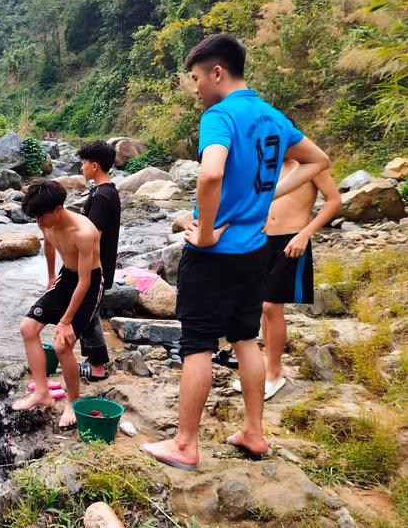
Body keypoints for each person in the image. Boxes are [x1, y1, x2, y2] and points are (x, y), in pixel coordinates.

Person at [141, 33, 330, 470]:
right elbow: (318, 161)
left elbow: (210, 176)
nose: (195, 88)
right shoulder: (271, 116)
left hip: (215, 254)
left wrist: (205, 231)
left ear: (217, 72)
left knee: (197, 344)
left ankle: (185, 444)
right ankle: (254, 432)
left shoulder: (219, 115)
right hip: (257, 250)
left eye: (195, 78)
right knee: (246, 337)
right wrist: (267, 198)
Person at [232, 158, 342, 399]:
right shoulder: (267, 163)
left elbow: (334, 201)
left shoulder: (310, 164)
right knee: (263, 307)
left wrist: (305, 234)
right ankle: (265, 370)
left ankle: (275, 372)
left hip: (292, 241)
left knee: (272, 306)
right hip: (262, 241)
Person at [11, 180, 104, 428]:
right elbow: (49, 243)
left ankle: (73, 401)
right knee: (27, 328)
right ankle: (42, 393)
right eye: (36, 218)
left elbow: (84, 282)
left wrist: (65, 321)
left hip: (89, 283)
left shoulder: (85, 232)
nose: (39, 223)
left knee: (63, 343)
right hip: (66, 277)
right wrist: (52, 275)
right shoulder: (46, 223)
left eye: (42, 216)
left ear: (58, 209)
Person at [76, 141, 121, 381]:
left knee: (88, 313)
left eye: (84, 163)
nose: (82, 167)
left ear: (95, 166)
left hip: (96, 265)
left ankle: (98, 368)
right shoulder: (100, 191)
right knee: (87, 311)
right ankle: (93, 360)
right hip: (95, 265)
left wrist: (85, 267)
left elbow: (94, 235)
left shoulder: (104, 196)